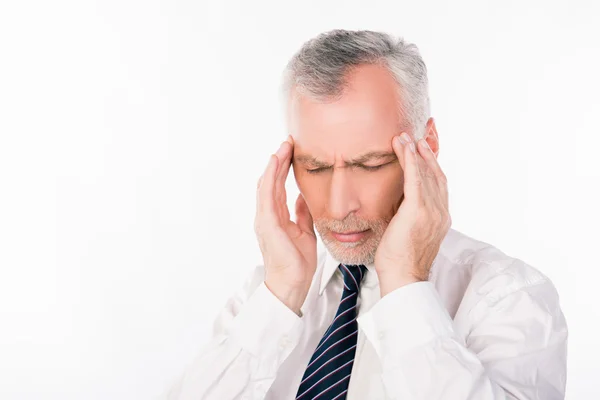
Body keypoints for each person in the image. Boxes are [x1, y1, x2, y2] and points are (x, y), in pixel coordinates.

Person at [163, 29, 568, 400]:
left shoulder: (508, 298)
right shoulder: (263, 295)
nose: (340, 207)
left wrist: (406, 286)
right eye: (315, 167)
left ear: (426, 146)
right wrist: (281, 294)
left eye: (371, 165)